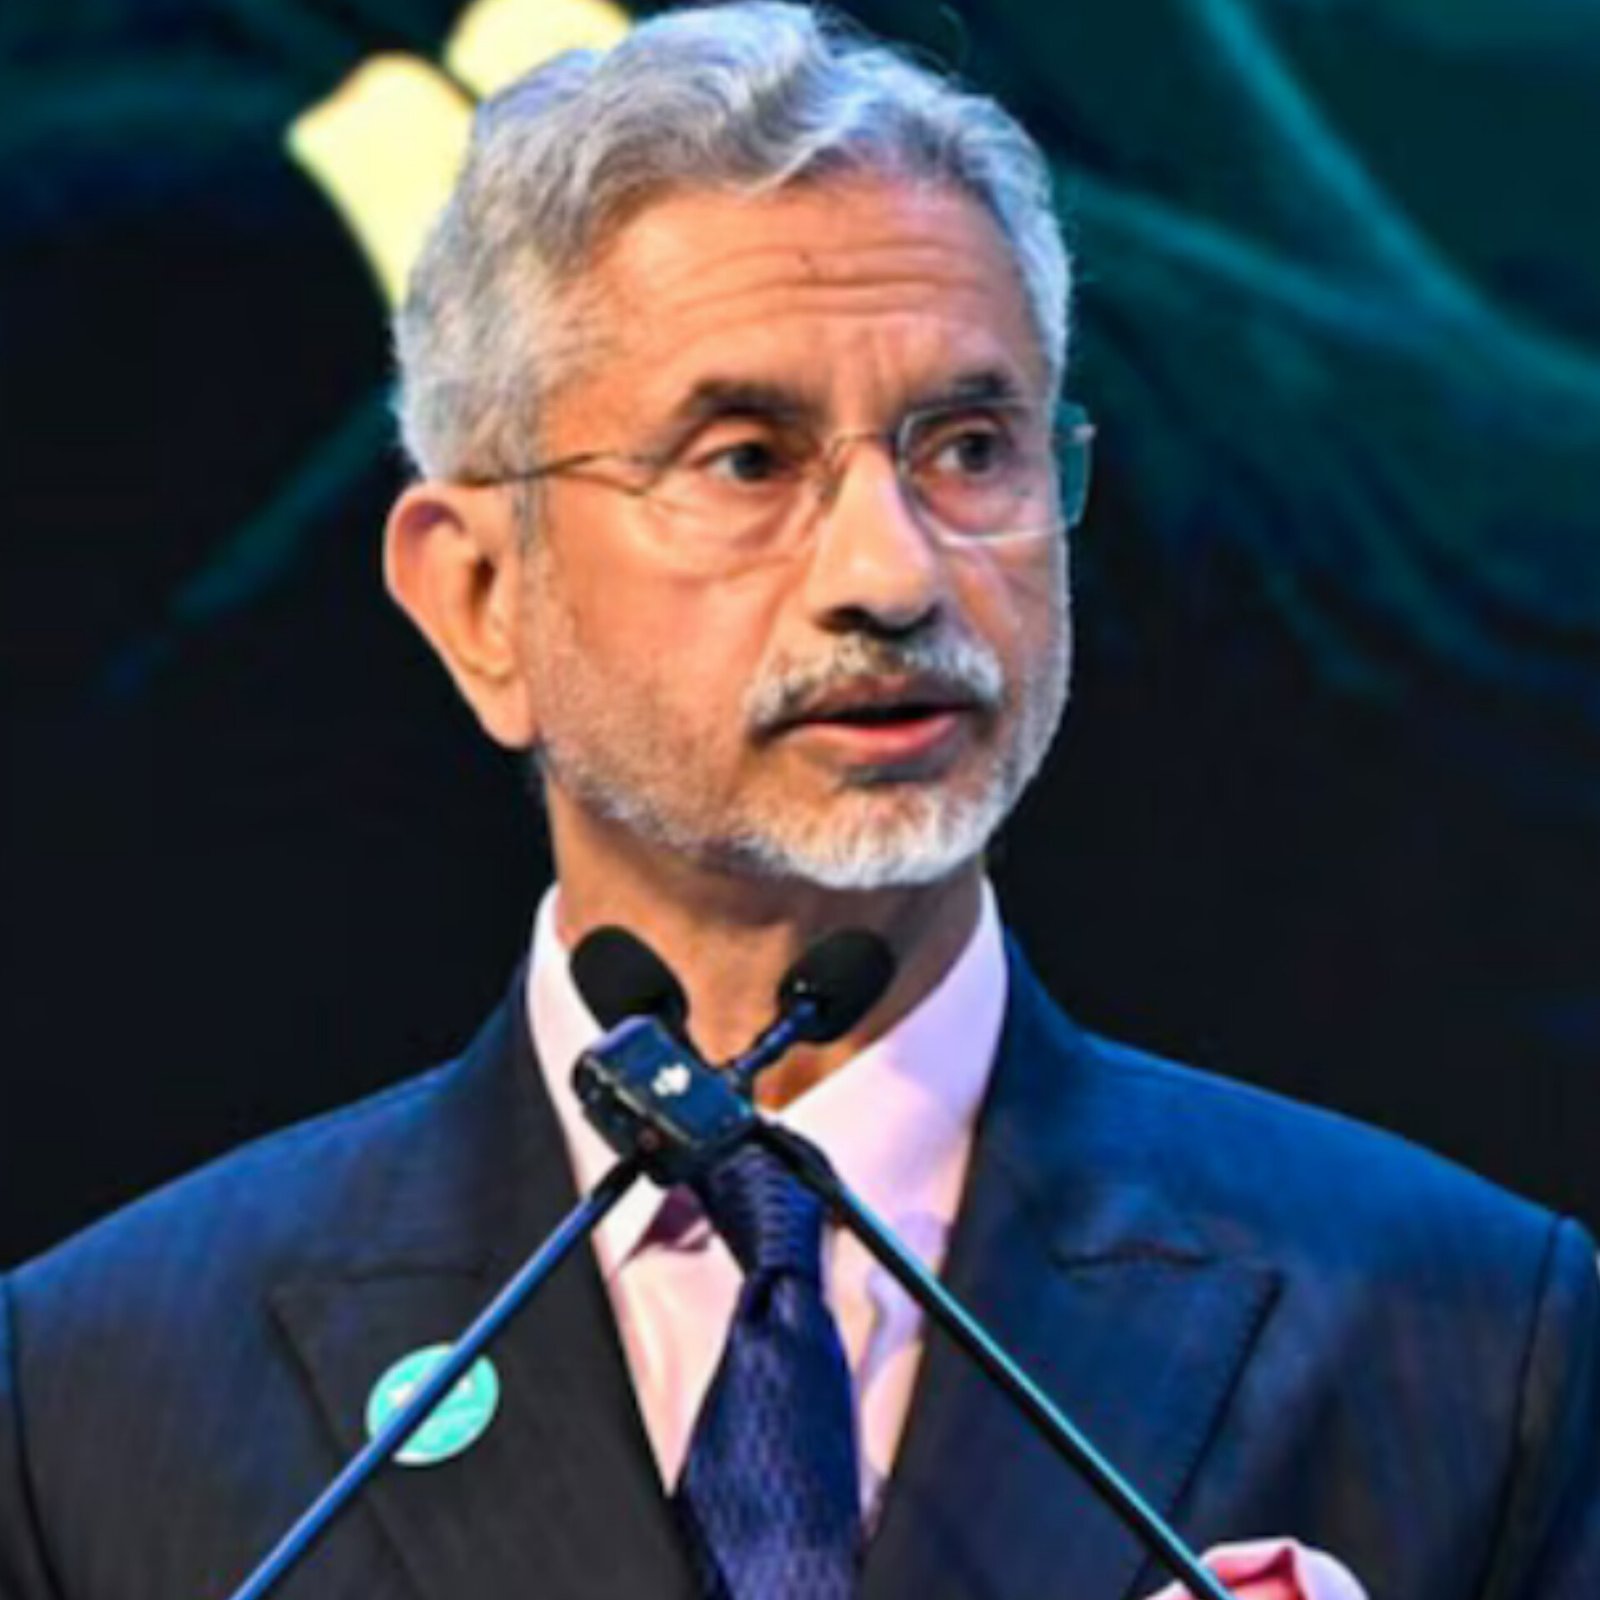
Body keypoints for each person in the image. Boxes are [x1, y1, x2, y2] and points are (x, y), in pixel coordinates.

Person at [1, 6, 1595, 1598]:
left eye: (970, 448)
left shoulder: (1463, 1340)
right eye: (747, 460)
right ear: (481, 597)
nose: (893, 575)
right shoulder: (98, 1395)